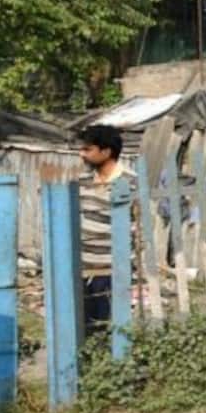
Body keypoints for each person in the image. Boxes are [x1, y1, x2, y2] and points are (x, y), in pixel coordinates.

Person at [76, 124, 128, 332]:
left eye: (88, 149)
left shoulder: (129, 182)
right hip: (83, 267)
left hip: (113, 267)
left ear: (106, 152)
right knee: (86, 326)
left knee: (113, 325)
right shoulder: (82, 182)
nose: (82, 154)